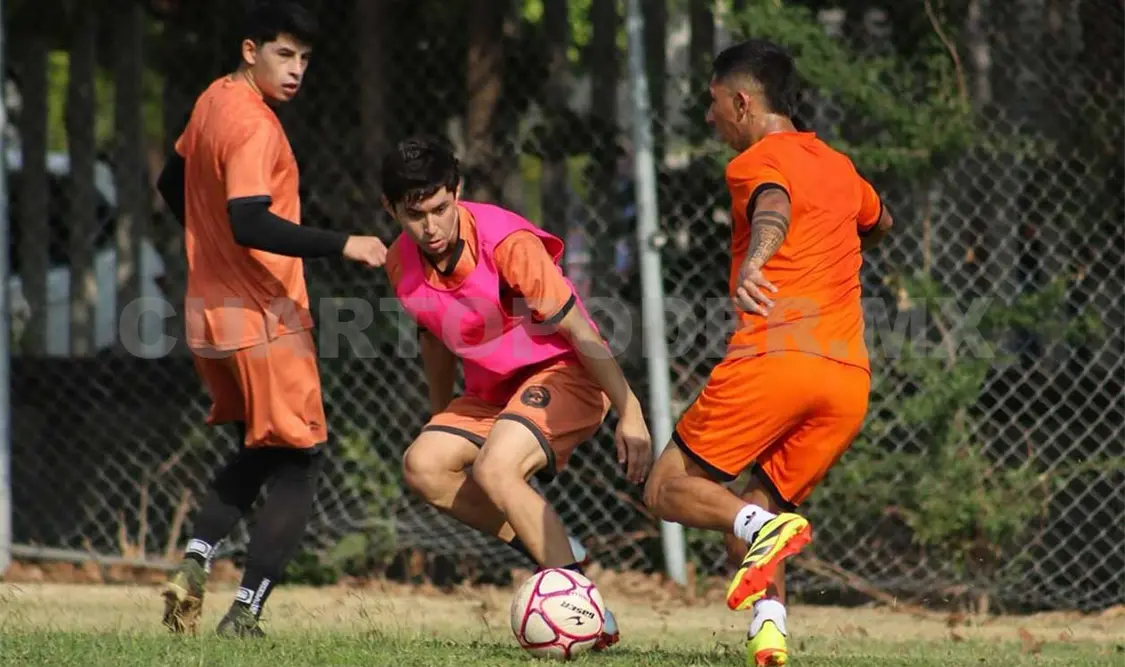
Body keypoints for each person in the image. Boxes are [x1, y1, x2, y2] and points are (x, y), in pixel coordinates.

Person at [642, 38, 894, 666]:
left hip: (778, 358)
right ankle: (770, 635)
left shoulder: (754, 162)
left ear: (742, 100)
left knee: (668, 487)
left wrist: (759, 255)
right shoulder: (838, 165)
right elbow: (880, 221)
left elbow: (772, 206)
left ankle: (762, 531)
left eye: (713, 103)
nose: (710, 117)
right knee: (756, 509)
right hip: (847, 378)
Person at [154, 1, 387, 638]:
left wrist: (212, 253)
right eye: (284, 54)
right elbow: (250, 218)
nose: (296, 70)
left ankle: (194, 563)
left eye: (305, 59)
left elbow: (170, 184)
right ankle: (245, 614)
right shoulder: (255, 125)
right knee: (302, 461)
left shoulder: (212, 100)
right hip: (263, 318)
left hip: (209, 317)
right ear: (250, 49)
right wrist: (346, 243)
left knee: (257, 451)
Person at [380, 136, 653, 650]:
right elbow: (434, 336)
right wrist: (441, 417)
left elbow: (582, 332)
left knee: (496, 469)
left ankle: (582, 602)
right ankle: (556, 548)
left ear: (456, 192)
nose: (431, 227)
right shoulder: (401, 263)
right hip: (493, 393)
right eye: (416, 215)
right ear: (391, 209)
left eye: (441, 208)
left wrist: (630, 410)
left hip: (565, 373)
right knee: (424, 464)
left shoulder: (506, 244)